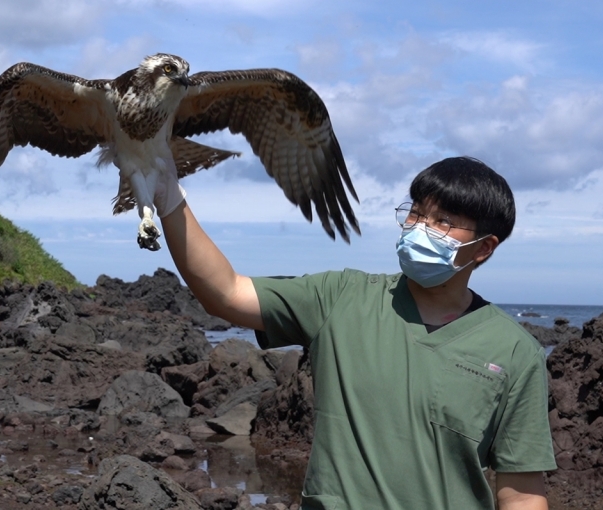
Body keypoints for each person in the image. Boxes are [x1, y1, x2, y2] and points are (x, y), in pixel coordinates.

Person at [154, 156, 556, 509]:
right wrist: (168, 196)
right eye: (416, 214)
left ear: (484, 248)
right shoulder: (341, 297)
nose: (420, 229)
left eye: (444, 222)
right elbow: (226, 293)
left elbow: (521, 494)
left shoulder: (514, 351)